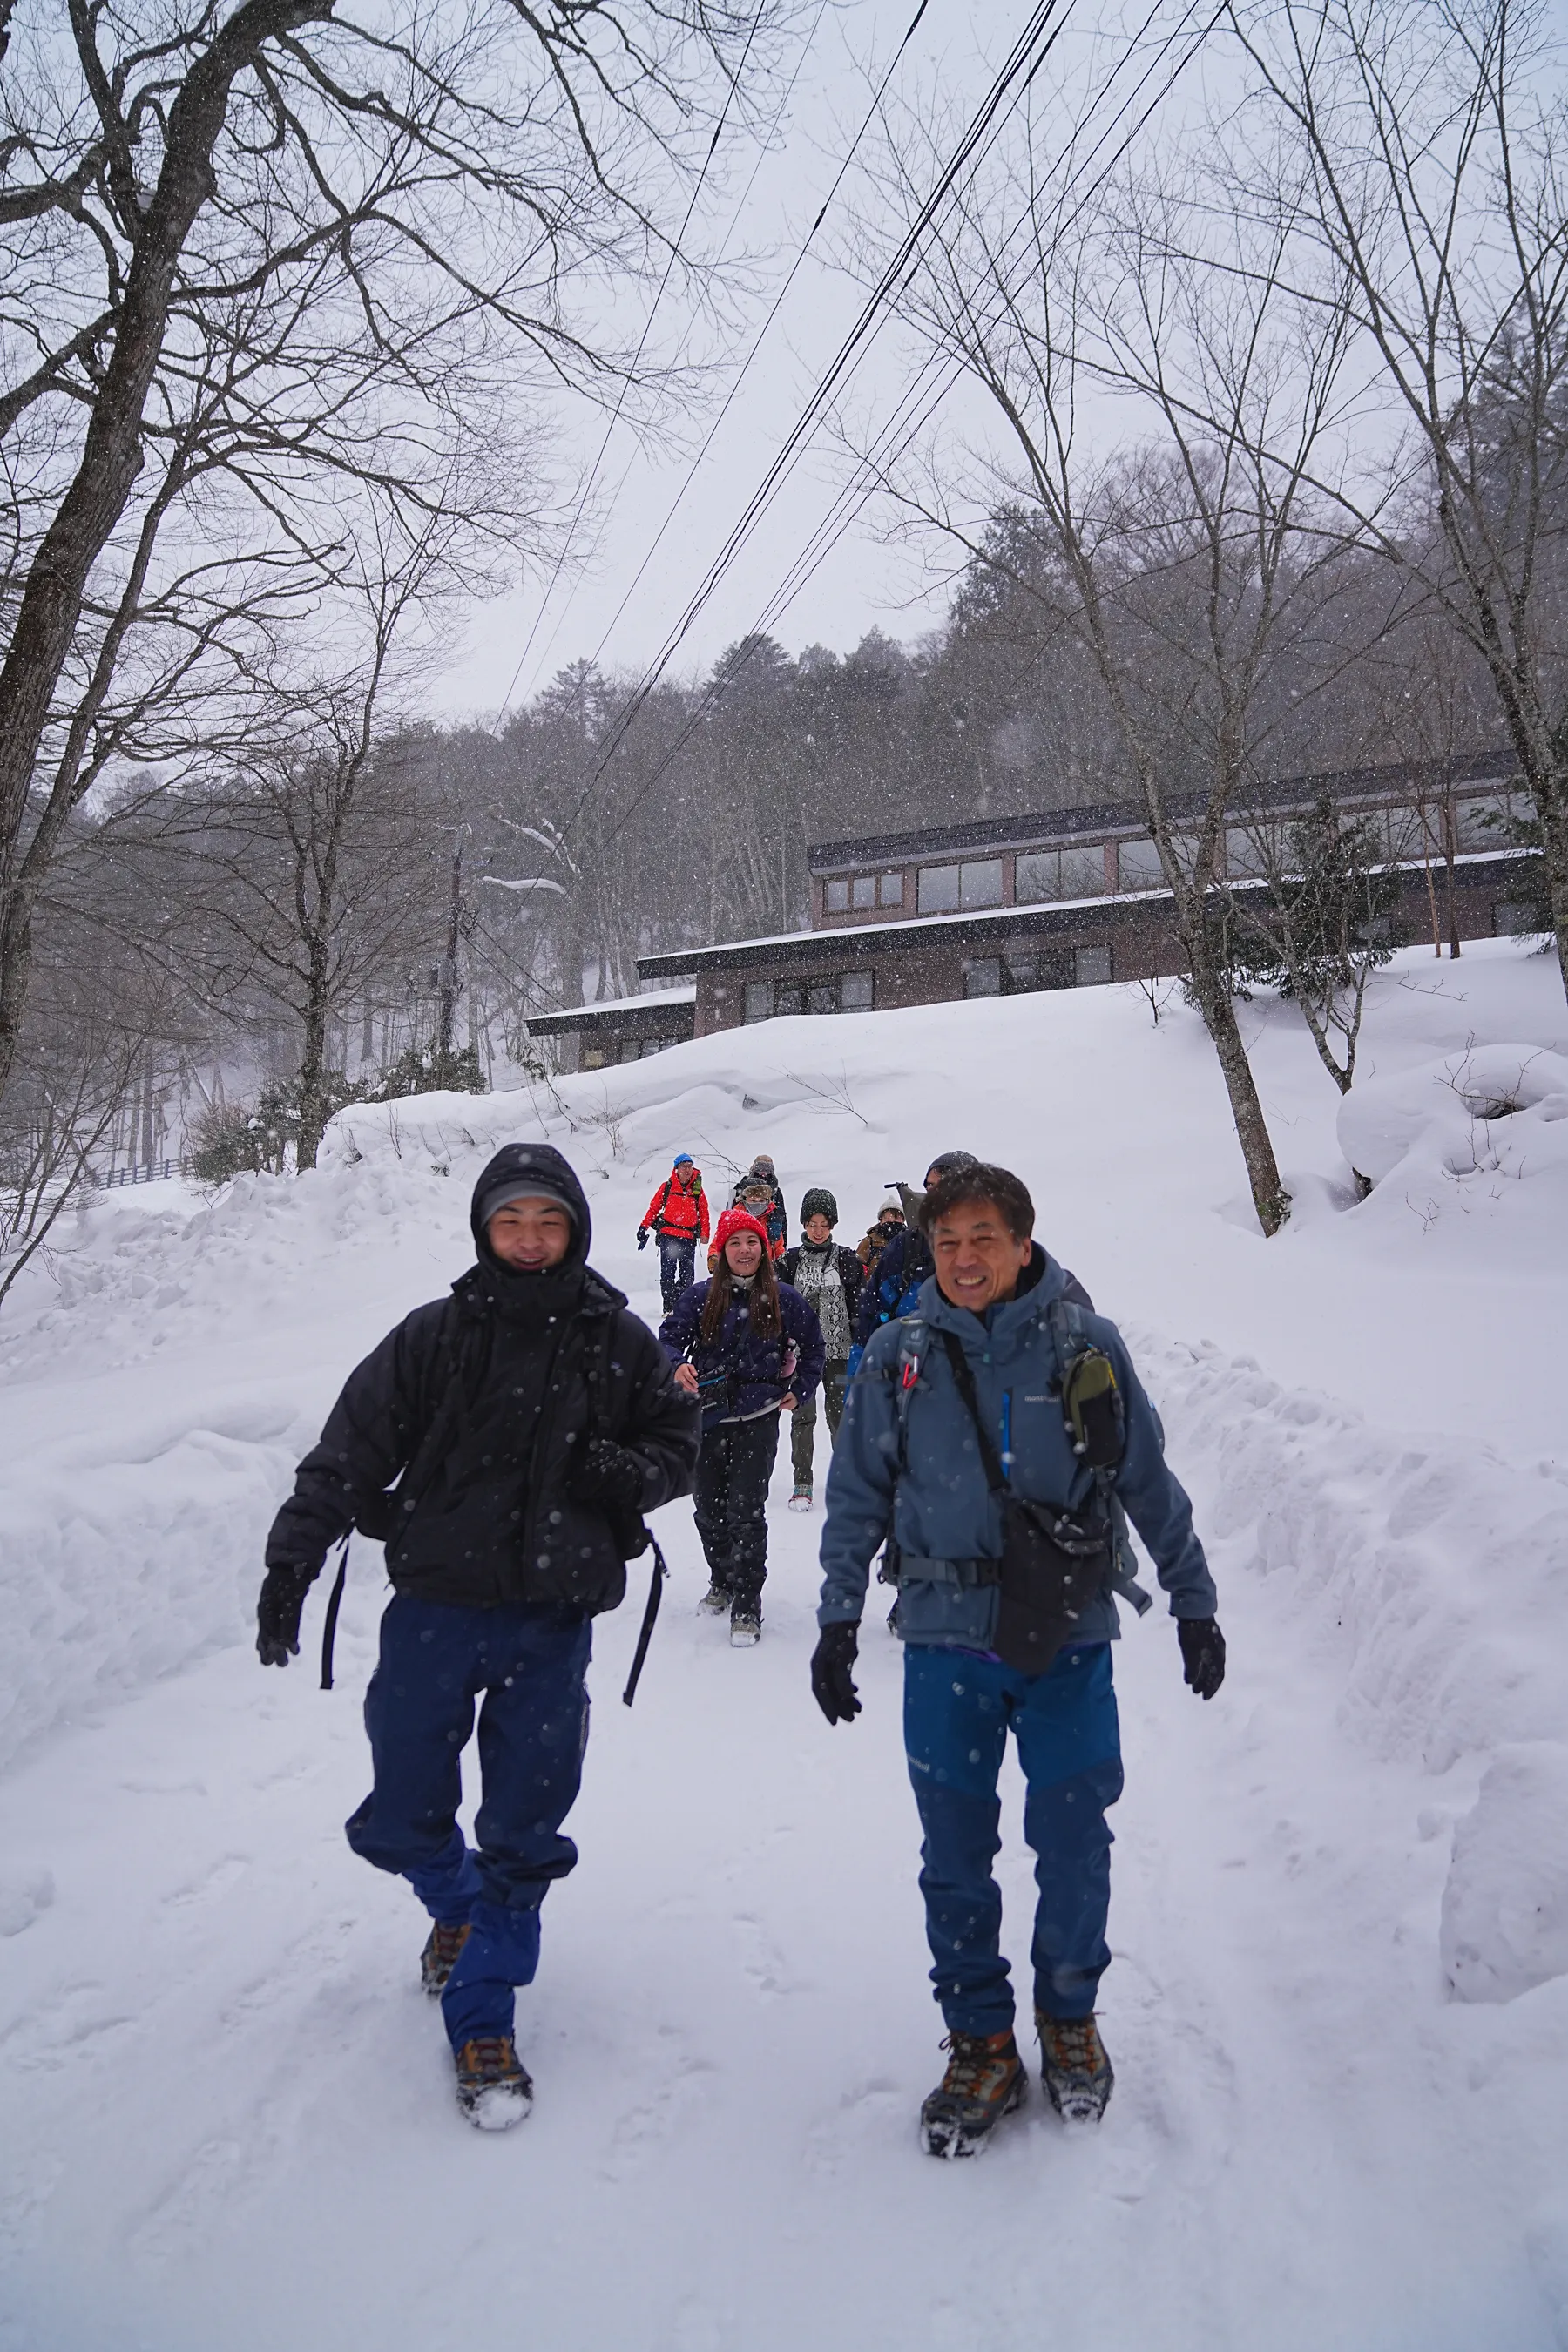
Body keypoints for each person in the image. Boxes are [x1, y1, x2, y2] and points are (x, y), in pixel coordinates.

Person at [257, 1143, 700, 2131]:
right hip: (435, 1609)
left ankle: (484, 2013)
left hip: (554, 1619)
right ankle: (455, 1905)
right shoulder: (434, 1336)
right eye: (512, 1222)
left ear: (577, 1229)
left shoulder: (619, 1342)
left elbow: (680, 1447)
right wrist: (292, 1561)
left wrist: (628, 1475)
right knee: (400, 1813)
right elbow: (347, 1452)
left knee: (526, 1827)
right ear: (484, 1229)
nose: (531, 1240)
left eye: (549, 1223)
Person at [810, 1159, 1224, 2160]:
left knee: (1076, 1840)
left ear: (1023, 1243)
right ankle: (982, 2040)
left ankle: (1069, 2014)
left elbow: (1147, 1481)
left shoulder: (1087, 1346)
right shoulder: (897, 1356)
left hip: (1066, 1639)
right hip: (944, 1640)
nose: (964, 1259)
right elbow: (857, 1495)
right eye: (947, 1242)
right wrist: (836, 1619)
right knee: (955, 1856)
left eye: (984, 1238)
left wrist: (1194, 1601)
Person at [660, 1206, 824, 1646]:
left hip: (758, 1417)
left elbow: (814, 1348)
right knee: (708, 1510)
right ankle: (723, 1579)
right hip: (708, 1418)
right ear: (722, 1250)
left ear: (763, 1249)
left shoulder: (784, 1297)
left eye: (751, 1241)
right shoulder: (700, 1296)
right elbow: (668, 1339)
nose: (745, 1250)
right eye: (735, 1242)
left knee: (746, 1513)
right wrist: (676, 1366)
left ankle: (747, 1605)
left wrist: (802, 1389)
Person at [779, 1188, 863, 1511]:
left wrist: (859, 1340)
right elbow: (778, 1305)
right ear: (803, 1223)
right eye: (812, 1223)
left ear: (833, 1225)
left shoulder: (847, 1258)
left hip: (840, 1351)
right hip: (802, 1355)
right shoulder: (788, 1260)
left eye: (824, 1223)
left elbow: (859, 1301)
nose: (817, 1230)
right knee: (803, 1417)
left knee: (840, 1416)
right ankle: (802, 1481)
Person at [638, 1152, 709, 1314]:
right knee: (668, 1274)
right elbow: (654, 1209)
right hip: (668, 1236)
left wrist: (705, 1232)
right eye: (684, 1166)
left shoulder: (697, 1190)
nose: (687, 1170)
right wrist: (643, 1227)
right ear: (676, 1169)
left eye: (690, 1166)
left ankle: (679, 1305)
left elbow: (704, 1212)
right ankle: (669, 1307)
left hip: (689, 1238)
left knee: (688, 1277)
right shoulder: (667, 1187)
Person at [729, 1152, 787, 1259]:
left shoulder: (776, 1190)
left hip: (770, 1235)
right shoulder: (742, 1187)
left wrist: (782, 1245)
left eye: (767, 1169)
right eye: (760, 1168)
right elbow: (732, 1211)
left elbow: (782, 1217)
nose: (763, 1173)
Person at [856, 1193, 906, 1281]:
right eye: (887, 1219)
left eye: (896, 1218)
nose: (892, 1222)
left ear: (903, 1220)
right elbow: (857, 1274)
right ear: (880, 1220)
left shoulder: (911, 1241)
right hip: (875, 1293)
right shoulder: (869, 1243)